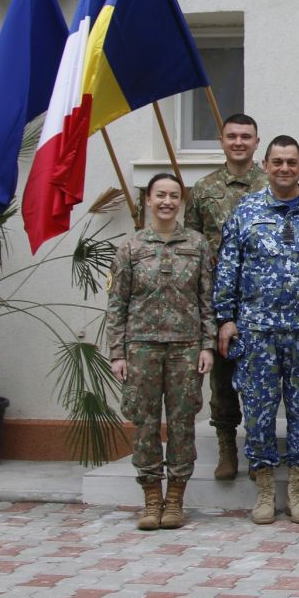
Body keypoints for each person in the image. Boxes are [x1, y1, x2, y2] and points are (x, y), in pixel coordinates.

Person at [214, 135, 299, 525]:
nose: (284, 168)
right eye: (277, 161)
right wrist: (225, 319)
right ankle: (265, 490)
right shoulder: (245, 211)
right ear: (265, 164)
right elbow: (227, 267)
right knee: (259, 414)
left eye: (291, 162)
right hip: (257, 331)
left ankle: (297, 490)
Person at [107, 173, 215, 531]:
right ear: (148, 200)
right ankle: (152, 498)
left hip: (186, 348)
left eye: (173, 196)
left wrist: (208, 345)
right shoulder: (131, 248)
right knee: (145, 423)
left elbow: (206, 300)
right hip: (141, 348)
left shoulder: (197, 244)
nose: (167, 202)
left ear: (180, 202)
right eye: (160, 196)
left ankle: (175, 500)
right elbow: (117, 303)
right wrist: (117, 352)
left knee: (183, 424)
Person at [183, 113, 266, 481]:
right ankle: (227, 447)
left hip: (264, 298)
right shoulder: (203, 190)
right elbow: (192, 244)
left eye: (245, 136)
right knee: (223, 375)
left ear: (256, 142)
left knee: (262, 378)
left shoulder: (271, 182)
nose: (238, 142)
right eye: (232, 136)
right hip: (220, 298)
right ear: (221, 141)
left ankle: (259, 448)